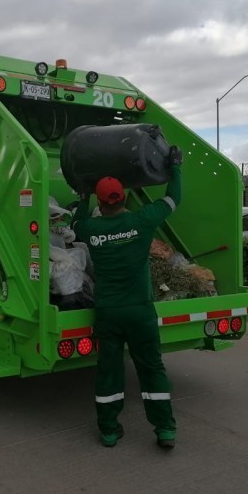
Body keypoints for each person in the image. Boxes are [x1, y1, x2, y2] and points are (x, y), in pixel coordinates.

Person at [71, 145, 183, 450]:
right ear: (124, 197)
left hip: (108, 313)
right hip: (140, 312)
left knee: (109, 371)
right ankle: (165, 429)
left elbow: (75, 223)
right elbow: (174, 198)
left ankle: (109, 430)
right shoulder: (142, 221)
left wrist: (82, 195)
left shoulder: (91, 229)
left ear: (100, 202)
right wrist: (175, 167)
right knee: (151, 368)